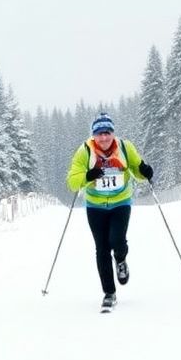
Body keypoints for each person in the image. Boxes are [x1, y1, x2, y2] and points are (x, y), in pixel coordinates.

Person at [66, 113, 154, 311]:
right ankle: (109, 293)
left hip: (120, 202)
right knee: (102, 248)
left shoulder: (125, 147)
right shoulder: (84, 151)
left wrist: (145, 171)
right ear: (93, 135)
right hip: (95, 206)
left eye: (107, 133)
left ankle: (121, 259)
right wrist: (88, 176)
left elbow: (137, 169)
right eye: (99, 134)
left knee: (117, 241)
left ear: (113, 133)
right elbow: (72, 182)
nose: (104, 138)